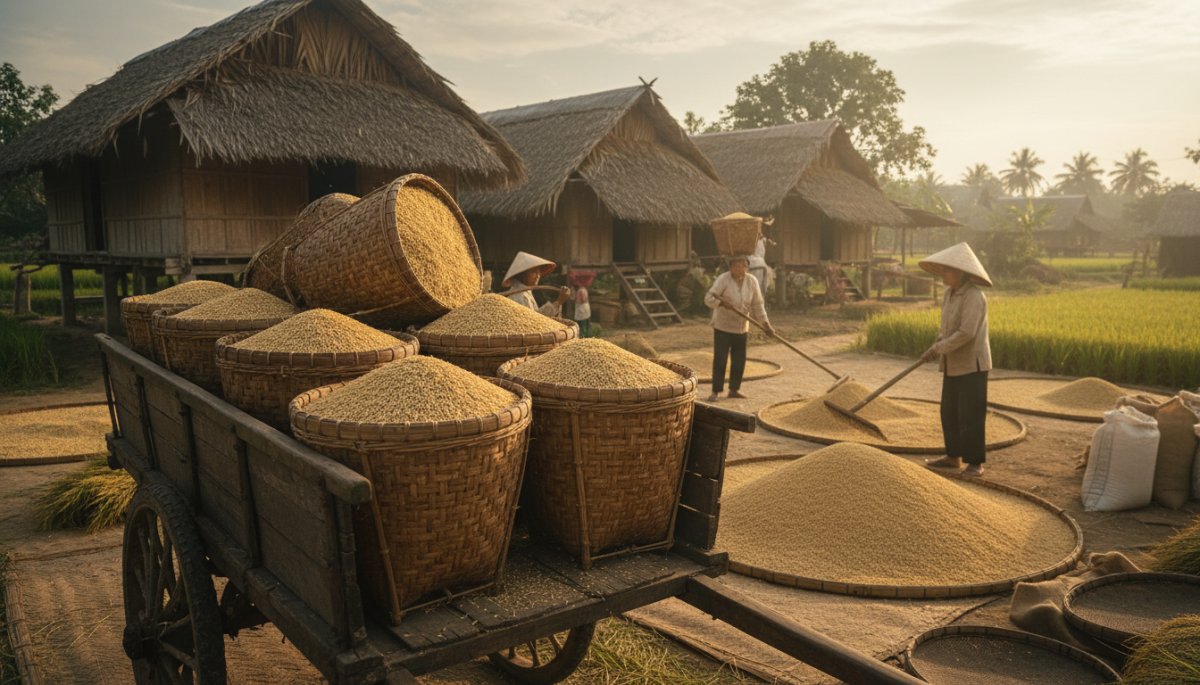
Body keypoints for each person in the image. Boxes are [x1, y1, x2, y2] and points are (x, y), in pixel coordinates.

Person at [918, 243, 993, 477]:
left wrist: (940, 347)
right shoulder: (949, 294)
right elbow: (947, 328)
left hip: (972, 364)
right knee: (949, 411)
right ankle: (953, 456)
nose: (943, 274)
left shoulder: (974, 296)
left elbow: (967, 332)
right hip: (953, 363)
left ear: (961, 272)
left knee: (971, 414)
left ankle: (975, 463)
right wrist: (936, 345)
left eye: (947, 270)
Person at [704, 255, 774, 403]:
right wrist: (722, 304)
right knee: (720, 359)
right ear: (730, 267)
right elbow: (708, 298)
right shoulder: (723, 279)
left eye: (743, 265)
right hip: (723, 327)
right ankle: (716, 391)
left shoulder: (752, 281)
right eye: (736, 265)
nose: (739, 268)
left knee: (739, 360)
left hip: (741, 327)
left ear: (747, 267)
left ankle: (734, 390)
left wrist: (766, 324)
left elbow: (757, 305)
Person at [502, 251, 570, 317]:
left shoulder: (525, 292)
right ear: (522, 275)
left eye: (538, 272)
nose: (538, 276)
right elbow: (533, 321)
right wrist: (558, 302)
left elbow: (536, 315)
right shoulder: (519, 296)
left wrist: (558, 302)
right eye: (534, 272)